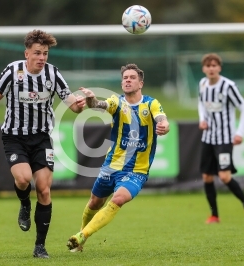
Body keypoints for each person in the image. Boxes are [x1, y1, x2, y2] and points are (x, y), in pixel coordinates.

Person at [0, 29, 86, 259]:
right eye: (38, 53)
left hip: (41, 138)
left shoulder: (52, 74)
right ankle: (24, 204)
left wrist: (84, 102)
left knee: (43, 189)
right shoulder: (12, 71)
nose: (42, 58)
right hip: (14, 137)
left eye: (46, 54)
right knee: (22, 179)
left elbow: (73, 105)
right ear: (27, 53)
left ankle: (40, 247)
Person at [66, 63, 170, 252]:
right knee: (94, 203)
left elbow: (161, 119)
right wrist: (91, 99)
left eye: (132, 78)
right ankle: (82, 238)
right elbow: (99, 106)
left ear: (141, 84)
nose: (127, 80)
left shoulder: (151, 103)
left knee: (118, 198)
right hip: (111, 166)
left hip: (136, 170)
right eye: (125, 78)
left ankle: (82, 235)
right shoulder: (117, 101)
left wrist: (164, 126)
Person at [198, 53, 244, 224]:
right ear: (204, 68)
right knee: (207, 177)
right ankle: (214, 215)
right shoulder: (202, 84)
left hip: (224, 138)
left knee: (224, 177)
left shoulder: (228, 86)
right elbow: (201, 104)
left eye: (214, 65)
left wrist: (239, 133)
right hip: (208, 138)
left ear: (219, 68)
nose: (211, 68)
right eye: (208, 66)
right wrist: (202, 119)